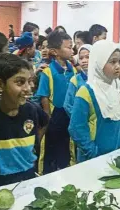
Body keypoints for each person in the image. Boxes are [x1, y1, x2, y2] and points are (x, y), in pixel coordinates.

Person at [68, 40, 120, 163]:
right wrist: (93, 152)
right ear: (99, 63)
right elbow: (76, 128)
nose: (118, 66)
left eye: (119, 61)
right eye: (112, 62)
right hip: (94, 158)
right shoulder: (86, 92)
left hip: (118, 152)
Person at [0, 53, 48, 187]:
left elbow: (44, 122)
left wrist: (35, 142)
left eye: (29, 81)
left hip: (29, 177)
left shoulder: (32, 110)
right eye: (20, 82)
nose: (28, 88)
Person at [36, 30, 76, 175]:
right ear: (55, 51)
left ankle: (65, 170)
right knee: (50, 149)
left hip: (69, 115)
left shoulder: (74, 71)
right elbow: (44, 96)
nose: (72, 50)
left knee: (66, 146)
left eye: (72, 47)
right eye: (68, 47)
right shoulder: (48, 71)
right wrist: (48, 116)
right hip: (54, 117)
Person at [64, 44, 91, 117]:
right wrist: (79, 118)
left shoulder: (100, 80)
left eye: (88, 57)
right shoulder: (75, 80)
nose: (84, 61)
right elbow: (68, 105)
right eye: (81, 58)